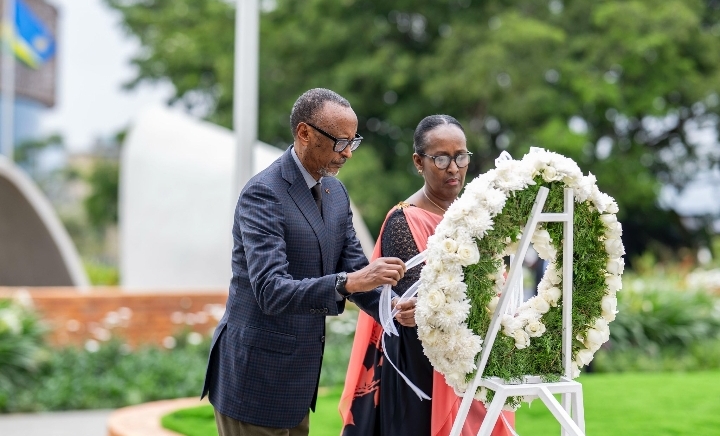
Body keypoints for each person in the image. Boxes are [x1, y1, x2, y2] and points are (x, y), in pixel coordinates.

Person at [202, 88, 406, 436]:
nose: (348, 153)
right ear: (304, 133)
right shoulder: (263, 193)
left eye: (353, 142)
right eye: (340, 142)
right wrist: (346, 283)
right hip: (253, 381)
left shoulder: (336, 193)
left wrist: (396, 307)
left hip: (298, 382)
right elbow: (271, 290)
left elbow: (356, 268)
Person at [339, 115, 516, 436]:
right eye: (441, 158)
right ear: (419, 162)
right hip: (422, 371)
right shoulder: (403, 221)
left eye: (461, 156)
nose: (453, 168)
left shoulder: (478, 219)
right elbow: (420, 305)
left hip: (477, 363)